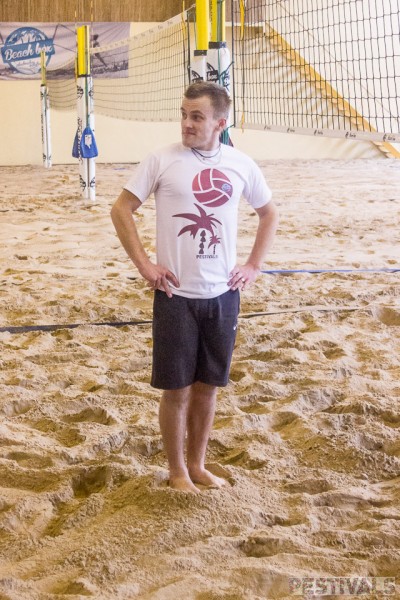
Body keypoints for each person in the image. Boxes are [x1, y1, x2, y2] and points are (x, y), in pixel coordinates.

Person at [111, 81, 279, 494]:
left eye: (197, 117)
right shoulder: (162, 159)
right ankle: (177, 472)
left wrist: (253, 266)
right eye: (184, 115)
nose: (186, 123)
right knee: (177, 390)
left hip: (223, 296)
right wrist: (145, 265)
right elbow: (121, 209)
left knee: (207, 389)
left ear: (220, 123)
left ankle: (198, 465)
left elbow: (269, 213)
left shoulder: (240, 164)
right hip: (175, 297)